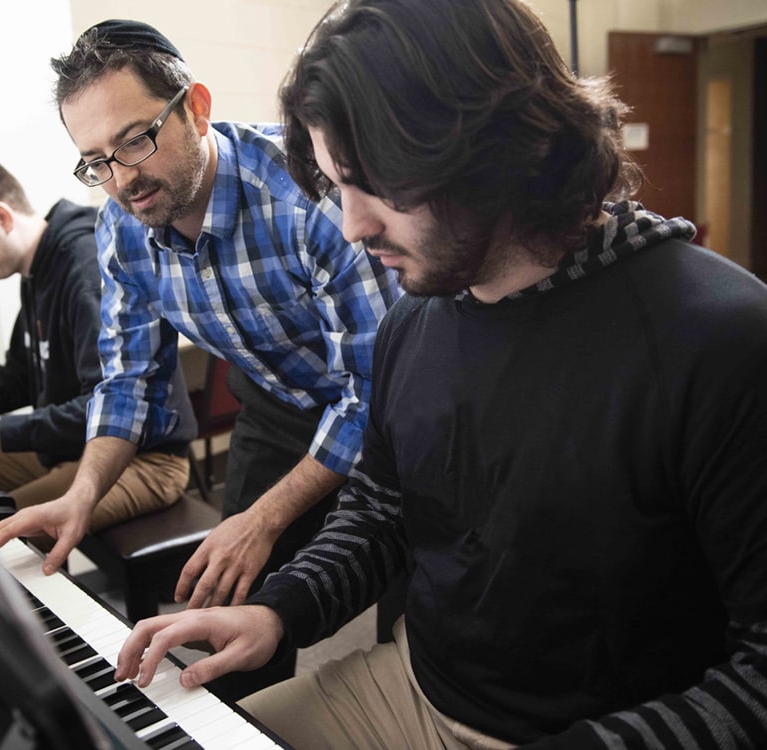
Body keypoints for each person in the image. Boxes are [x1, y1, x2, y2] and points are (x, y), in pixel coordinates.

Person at [113, 0, 767, 747]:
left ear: (496, 147)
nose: (353, 227)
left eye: (376, 184)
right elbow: (383, 512)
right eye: (335, 187)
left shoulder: (722, 339)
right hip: (411, 692)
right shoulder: (412, 322)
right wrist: (278, 611)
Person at [0, 19, 399, 696]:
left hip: (390, 406)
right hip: (280, 401)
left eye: (136, 140)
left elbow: (371, 392)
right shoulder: (121, 228)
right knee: (229, 610)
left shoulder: (305, 198)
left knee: (404, 611)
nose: (121, 179)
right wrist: (82, 497)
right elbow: (128, 386)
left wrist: (265, 517)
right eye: (96, 161)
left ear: (197, 108)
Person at [0, 150, 195, 535]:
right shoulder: (37, 269)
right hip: (68, 448)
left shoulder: (84, 267)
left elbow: (104, 405)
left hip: (143, 460)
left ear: (2, 217)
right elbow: (18, 377)